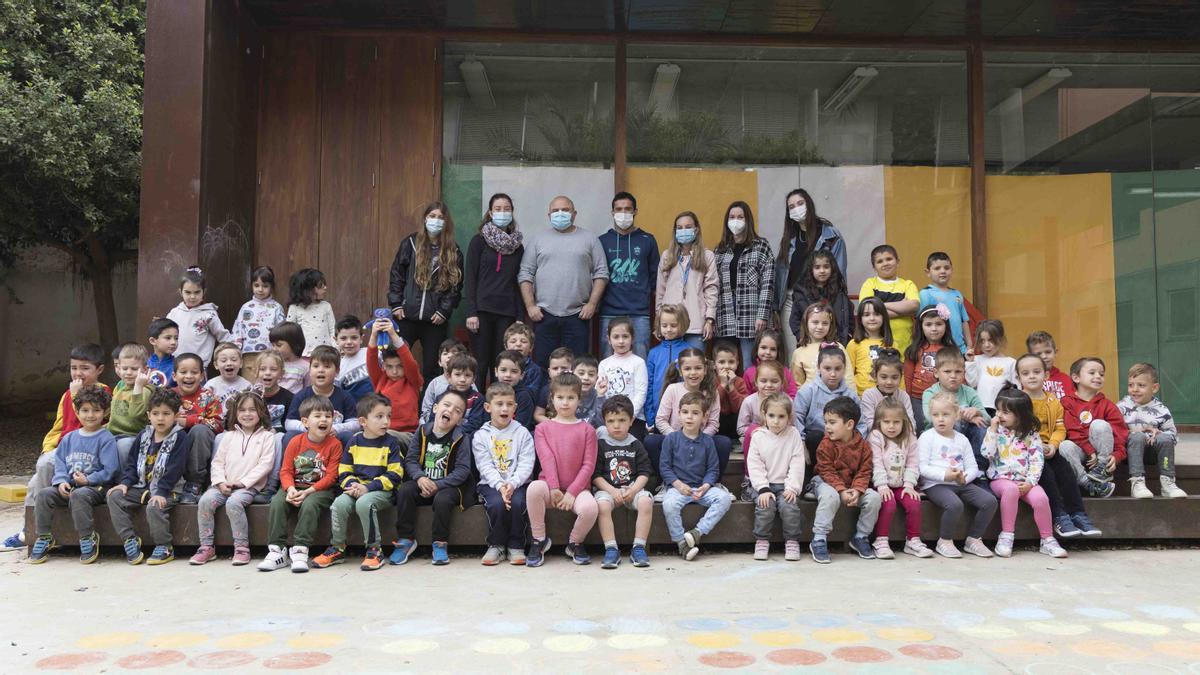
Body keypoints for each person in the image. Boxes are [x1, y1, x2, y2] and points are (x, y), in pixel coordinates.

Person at [313, 393, 405, 571]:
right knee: (339, 503)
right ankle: (337, 548)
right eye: (379, 416)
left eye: (388, 416)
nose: (386, 421)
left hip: (383, 491)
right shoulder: (354, 441)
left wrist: (367, 488)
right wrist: (353, 486)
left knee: (364, 503)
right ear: (363, 421)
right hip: (357, 488)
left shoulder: (391, 443)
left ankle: (374, 550)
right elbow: (344, 471)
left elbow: (395, 475)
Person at [28, 386, 118, 564]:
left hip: (95, 488)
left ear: (105, 412)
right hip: (70, 487)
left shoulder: (106, 438)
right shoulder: (69, 438)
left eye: (96, 410)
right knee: (45, 494)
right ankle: (45, 536)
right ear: (77, 411)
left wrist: (88, 480)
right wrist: (60, 481)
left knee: (79, 494)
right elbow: (60, 464)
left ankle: (87, 537)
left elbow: (110, 470)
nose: (90, 415)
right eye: (85, 410)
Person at [1014, 353, 1101, 538]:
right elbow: (1014, 430)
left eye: (1036, 372)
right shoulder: (1017, 402)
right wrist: (1036, 447)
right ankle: (1059, 516)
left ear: (1046, 375)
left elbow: (1060, 428)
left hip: (1049, 450)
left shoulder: (1053, 401)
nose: (1031, 376)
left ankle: (1079, 514)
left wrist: (1053, 446)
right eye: (1026, 373)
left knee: (1066, 472)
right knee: (1047, 475)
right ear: (1018, 378)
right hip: (1026, 454)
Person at [518, 195, 610, 366]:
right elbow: (525, 274)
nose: (560, 214)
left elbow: (601, 273)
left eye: (565, 210)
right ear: (548, 215)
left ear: (574, 213)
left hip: (578, 315)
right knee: (544, 367)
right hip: (544, 315)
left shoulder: (590, 239)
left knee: (577, 367)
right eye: (555, 210)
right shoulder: (538, 239)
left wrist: (591, 304)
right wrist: (530, 306)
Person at [256, 395, 343, 573]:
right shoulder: (296, 442)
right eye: (318, 416)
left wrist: (309, 491)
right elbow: (286, 470)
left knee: (310, 505)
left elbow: (332, 476)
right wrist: (290, 489)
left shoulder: (335, 444)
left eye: (328, 416)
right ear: (305, 421)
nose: (324, 420)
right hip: (294, 485)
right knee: (278, 502)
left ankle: (300, 550)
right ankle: (276, 550)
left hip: (320, 489)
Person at [107, 388, 192, 565]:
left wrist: (161, 492)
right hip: (141, 486)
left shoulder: (180, 438)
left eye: (166, 414)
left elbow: (175, 469)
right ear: (148, 415)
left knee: (154, 506)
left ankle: (164, 546)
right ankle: (129, 539)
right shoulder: (143, 436)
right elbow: (131, 463)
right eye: (156, 413)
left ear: (176, 415)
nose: (160, 418)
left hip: (168, 489)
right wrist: (125, 483)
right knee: (114, 496)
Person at [189, 391, 275, 565]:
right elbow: (217, 462)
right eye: (242, 410)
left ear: (261, 413)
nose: (247, 414)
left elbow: (265, 464)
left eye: (252, 409)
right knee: (205, 501)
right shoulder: (228, 437)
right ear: (236, 413)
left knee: (233, 503)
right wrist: (220, 482)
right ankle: (206, 547)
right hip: (223, 485)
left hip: (247, 488)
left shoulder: (267, 437)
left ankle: (242, 548)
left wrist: (243, 483)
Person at [982, 387, 1068, 558]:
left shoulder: (1031, 434)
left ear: (1020, 415)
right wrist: (992, 431)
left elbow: (1037, 460)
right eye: (998, 410)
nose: (999, 415)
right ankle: (1006, 535)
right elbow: (987, 453)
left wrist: (1030, 482)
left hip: (1025, 481)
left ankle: (1047, 539)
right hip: (1001, 479)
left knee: (1041, 498)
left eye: (1005, 412)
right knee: (1011, 490)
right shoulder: (995, 431)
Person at [391, 390, 472, 566]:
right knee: (405, 490)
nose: (451, 411)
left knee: (443, 499)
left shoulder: (461, 438)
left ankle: (440, 543)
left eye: (457, 411)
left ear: (460, 420)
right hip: (424, 482)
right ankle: (406, 539)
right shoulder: (422, 431)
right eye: (447, 405)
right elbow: (411, 460)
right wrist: (419, 478)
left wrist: (438, 485)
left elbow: (462, 471)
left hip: (449, 486)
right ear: (435, 408)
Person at [388, 201, 464, 383]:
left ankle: (427, 409)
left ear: (446, 222)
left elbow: (456, 285)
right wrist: (396, 304)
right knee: (396, 362)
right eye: (432, 216)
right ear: (425, 219)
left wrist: (444, 311)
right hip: (406, 316)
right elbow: (397, 275)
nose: (436, 221)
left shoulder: (454, 251)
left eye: (440, 217)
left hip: (434, 320)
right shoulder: (410, 243)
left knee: (432, 367)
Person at [527, 373, 599, 567]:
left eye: (570, 398)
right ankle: (539, 539)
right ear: (552, 398)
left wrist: (572, 493)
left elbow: (588, 465)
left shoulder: (587, 430)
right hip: (551, 488)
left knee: (590, 508)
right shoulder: (543, 428)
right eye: (560, 397)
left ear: (579, 399)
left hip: (578, 490)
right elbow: (546, 459)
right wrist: (553, 487)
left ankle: (575, 543)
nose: (565, 403)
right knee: (533, 488)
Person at [918, 391, 998, 559]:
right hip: (936, 484)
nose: (940, 419)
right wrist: (945, 476)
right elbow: (922, 467)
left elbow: (972, 466)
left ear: (956, 416)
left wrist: (964, 478)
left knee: (989, 501)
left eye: (946, 414)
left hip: (961, 483)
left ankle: (974, 539)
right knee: (955, 504)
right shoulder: (927, 437)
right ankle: (945, 541)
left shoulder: (962, 439)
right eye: (936, 415)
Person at [660, 392, 733, 561]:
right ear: (679, 414)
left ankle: (697, 532)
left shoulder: (708, 441)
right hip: (678, 488)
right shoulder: (671, 439)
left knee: (724, 499)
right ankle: (681, 543)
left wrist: (706, 485)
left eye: (695, 413)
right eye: (685, 412)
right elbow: (665, 467)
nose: (689, 417)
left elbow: (713, 469)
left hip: (701, 488)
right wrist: (678, 485)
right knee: (669, 504)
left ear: (704, 416)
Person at [776, 188, 848, 356]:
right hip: (792, 300)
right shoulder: (789, 238)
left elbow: (839, 272)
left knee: (824, 352)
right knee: (797, 350)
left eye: (800, 203)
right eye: (791, 206)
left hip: (822, 298)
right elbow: (781, 275)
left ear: (809, 204)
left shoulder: (831, 235)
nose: (796, 209)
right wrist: (775, 307)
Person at [464, 193, 524, 392]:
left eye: (507, 208)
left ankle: (498, 402)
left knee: (501, 362)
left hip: (506, 312)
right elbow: (470, 278)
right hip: (481, 311)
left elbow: (519, 282)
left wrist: (520, 317)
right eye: (498, 209)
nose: (502, 212)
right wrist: (471, 311)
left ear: (512, 212)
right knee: (481, 363)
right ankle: (479, 405)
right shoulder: (478, 241)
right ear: (490, 213)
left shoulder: (517, 247)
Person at [809, 396, 881, 563]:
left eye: (832, 422)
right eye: (826, 421)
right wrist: (841, 490)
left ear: (849, 424)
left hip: (852, 486)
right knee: (830, 496)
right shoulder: (825, 444)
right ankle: (819, 538)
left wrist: (857, 490)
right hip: (824, 482)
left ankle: (861, 537)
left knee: (874, 498)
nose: (827, 427)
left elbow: (865, 471)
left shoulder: (863, 446)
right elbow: (826, 471)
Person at [472, 382, 536, 566]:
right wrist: (500, 486)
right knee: (498, 504)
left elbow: (526, 463)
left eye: (509, 404)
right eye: (499, 404)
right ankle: (497, 545)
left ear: (515, 407)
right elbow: (484, 466)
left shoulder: (522, 433)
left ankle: (516, 545)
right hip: (491, 484)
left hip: (518, 483)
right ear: (488, 407)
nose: (504, 408)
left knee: (517, 503)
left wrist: (512, 484)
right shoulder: (481, 436)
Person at [646, 348, 734, 478]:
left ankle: (714, 482)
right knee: (651, 441)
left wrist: (699, 439)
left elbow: (714, 424)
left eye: (698, 368)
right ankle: (665, 482)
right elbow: (660, 420)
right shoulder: (673, 389)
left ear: (705, 370)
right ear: (681, 371)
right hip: (674, 439)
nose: (693, 373)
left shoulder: (712, 393)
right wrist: (676, 438)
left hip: (702, 440)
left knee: (724, 443)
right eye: (687, 369)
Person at [593, 395, 654, 569]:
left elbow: (644, 472)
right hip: (608, 490)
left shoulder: (636, 445)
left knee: (646, 501)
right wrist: (613, 491)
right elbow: (595, 476)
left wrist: (634, 490)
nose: (616, 425)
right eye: (611, 421)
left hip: (631, 489)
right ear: (604, 422)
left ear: (631, 421)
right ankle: (611, 549)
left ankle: (639, 547)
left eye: (622, 420)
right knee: (602, 506)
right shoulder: (601, 444)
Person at [714, 201, 776, 367]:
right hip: (725, 312)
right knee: (725, 363)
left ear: (748, 220)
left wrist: (762, 315)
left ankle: (753, 393)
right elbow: (712, 285)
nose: (736, 220)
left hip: (751, 311)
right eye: (732, 217)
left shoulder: (761, 246)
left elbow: (767, 284)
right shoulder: (720, 249)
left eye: (740, 217)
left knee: (750, 363)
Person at [598, 192, 660, 358]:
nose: (623, 213)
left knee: (640, 361)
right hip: (609, 312)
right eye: (618, 209)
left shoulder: (648, 240)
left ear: (635, 211)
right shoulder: (602, 241)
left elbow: (655, 278)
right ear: (612, 212)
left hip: (639, 313)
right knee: (608, 363)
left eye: (627, 209)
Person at [867, 398, 930, 559]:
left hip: (902, 483)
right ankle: (880, 541)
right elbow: (876, 463)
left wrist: (909, 485)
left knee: (914, 503)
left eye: (896, 422)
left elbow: (913, 463)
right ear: (879, 422)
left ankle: (913, 540)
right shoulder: (875, 436)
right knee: (888, 503)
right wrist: (881, 485)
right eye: (886, 422)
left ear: (904, 422)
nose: (891, 426)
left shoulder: (909, 438)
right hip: (880, 484)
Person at [746, 393, 806, 562]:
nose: (776, 421)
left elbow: (797, 462)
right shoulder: (758, 436)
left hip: (785, 485)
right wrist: (763, 488)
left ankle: (792, 541)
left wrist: (792, 488)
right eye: (771, 416)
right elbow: (755, 464)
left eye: (781, 416)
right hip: (762, 485)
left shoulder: (793, 435)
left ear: (789, 417)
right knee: (765, 506)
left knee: (789, 507)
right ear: (764, 415)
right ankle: (762, 540)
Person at [1060, 357, 1128, 499]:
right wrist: (1089, 451)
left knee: (1099, 424)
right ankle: (1087, 483)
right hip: (1081, 450)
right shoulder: (1067, 402)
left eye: (1101, 374)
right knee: (1064, 445)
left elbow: (1120, 434)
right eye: (1092, 373)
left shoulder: (1108, 405)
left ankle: (1102, 470)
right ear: (1076, 377)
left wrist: (1116, 456)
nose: (1098, 376)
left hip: (1102, 452)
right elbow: (1072, 431)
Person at [1119, 362, 1187, 499]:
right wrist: (1133, 433)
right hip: (1129, 454)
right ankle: (1137, 482)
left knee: (1166, 438)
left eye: (1141, 385)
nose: (1135, 389)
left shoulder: (1162, 410)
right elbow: (1115, 431)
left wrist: (1159, 433)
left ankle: (1168, 482)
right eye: (1131, 385)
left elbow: (1173, 435)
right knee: (1137, 437)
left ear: (1154, 388)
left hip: (1152, 454)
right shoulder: (1121, 407)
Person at [281, 345, 361, 455]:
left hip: (333, 441)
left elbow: (355, 423)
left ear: (337, 371)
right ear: (310, 370)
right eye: (316, 366)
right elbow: (289, 422)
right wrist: (308, 428)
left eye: (327, 366)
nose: (321, 370)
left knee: (347, 436)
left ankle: (344, 470)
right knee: (289, 436)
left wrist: (336, 428)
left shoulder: (345, 396)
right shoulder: (301, 396)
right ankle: (288, 470)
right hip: (307, 440)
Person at [920, 347, 990, 471]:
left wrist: (977, 411)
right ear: (936, 373)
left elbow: (988, 419)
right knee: (953, 423)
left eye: (958, 372)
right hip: (937, 435)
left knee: (981, 425)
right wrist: (963, 416)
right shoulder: (930, 392)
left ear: (964, 373)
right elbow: (929, 417)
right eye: (947, 371)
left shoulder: (969, 392)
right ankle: (949, 465)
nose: (953, 376)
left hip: (965, 438)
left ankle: (979, 469)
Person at [656, 211, 718, 350]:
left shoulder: (707, 256)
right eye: (680, 228)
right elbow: (660, 290)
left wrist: (709, 319)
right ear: (675, 231)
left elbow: (711, 289)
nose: (684, 231)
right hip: (670, 322)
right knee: (672, 369)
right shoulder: (667, 256)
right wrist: (658, 320)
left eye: (688, 227)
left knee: (694, 367)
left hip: (696, 323)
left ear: (696, 229)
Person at [794, 347, 866, 460]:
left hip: (843, 444)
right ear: (818, 368)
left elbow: (862, 423)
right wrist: (802, 444)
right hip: (815, 443)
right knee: (814, 437)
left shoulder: (850, 395)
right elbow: (797, 418)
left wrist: (854, 443)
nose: (833, 374)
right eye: (827, 368)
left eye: (838, 369)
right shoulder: (807, 391)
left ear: (844, 369)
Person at [171, 353, 223, 504]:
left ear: (202, 376)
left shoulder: (209, 397)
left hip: (200, 445)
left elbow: (218, 424)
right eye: (183, 372)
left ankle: (194, 483)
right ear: (174, 376)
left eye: (194, 372)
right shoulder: (168, 395)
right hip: (174, 443)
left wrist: (186, 421)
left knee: (199, 430)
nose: (189, 376)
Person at [366, 318, 423, 441]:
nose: (395, 371)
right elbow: (371, 359)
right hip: (380, 432)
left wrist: (392, 333)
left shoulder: (413, 381)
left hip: (406, 435)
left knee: (388, 439)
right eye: (390, 367)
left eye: (400, 366)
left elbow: (409, 361)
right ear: (384, 366)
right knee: (357, 438)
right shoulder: (380, 379)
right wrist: (374, 334)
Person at [858, 245, 919, 355]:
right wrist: (902, 307)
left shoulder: (907, 284)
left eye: (889, 259)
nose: (885, 263)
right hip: (877, 344)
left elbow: (914, 306)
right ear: (874, 267)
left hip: (904, 344)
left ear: (897, 261)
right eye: (880, 261)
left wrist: (879, 306)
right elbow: (866, 309)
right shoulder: (870, 284)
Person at [167, 266, 232, 369]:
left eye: (197, 292)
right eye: (188, 292)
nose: (192, 296)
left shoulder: (209, 315)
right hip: (174, 366)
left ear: (204, 292)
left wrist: (231, 354)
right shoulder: (174, 313)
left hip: (199, 368)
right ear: (181, 292)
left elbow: (223, 337)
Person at [231, 265, 286, 381]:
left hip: (270, 354)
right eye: (256, 285)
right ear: (251, 285)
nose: (260, 289)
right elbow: (238, 330)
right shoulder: (246, 307)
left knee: (268, 385)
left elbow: (282, 333)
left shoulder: (276, 308)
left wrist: (279, 351)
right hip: (249, 355)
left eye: (265, 286)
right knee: (249, 387)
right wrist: (236, 351)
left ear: (271, 287)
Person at [788, 250, 853, 346]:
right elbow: (794, 320)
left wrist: (847, 336)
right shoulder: (801, 293)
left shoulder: (840, 292)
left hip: (836, 344)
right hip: (810, 344)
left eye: (826, 267)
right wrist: (803, 338)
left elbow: (849, 317)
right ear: (811, 269)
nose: (822, 271)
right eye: (817, 267)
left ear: (832, 269)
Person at [107, 343, 155, 467]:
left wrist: (138, 386)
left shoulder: (145, 390)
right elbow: (113, 416)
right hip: (113, 434)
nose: (128, 373)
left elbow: (135, 414)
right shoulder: (121, 388)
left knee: (124, 445)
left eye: (134, 369)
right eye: (124, 368)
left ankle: (125, 480)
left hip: (134, 436)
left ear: (144, 369)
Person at [465, 350, 535, 433]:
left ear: (522, 375)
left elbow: (522, 425)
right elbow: (484, 421)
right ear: (496, 372)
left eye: (514, 371)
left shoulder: (524, 396)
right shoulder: (491, 392)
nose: (508, 375)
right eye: (503, 370)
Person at [905, 305, 952, 430]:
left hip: (944, 398)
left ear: (946, 326)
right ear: (921, 326)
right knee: (921, 426)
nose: (934, 328)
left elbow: (957, 374)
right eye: (929, 324)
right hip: (917, 398)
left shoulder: (951, 350)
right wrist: (908, 399)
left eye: (939, 324)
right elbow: (908, 377)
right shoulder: (913, 350)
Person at [597, 317, 649, 431]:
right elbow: (602, 393)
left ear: (632, 338)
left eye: (625, 336)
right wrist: (609, 415)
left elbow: (641, 392)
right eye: (616, 337)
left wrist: (630, 415)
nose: (621, 341)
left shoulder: (638, 362)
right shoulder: (604, 364)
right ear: (609, 339)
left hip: (634, 419)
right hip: (610, 418)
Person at [645, 305, 691, 424]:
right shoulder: (654, 353)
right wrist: (650, 417)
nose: (669, 329)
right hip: (658, 412)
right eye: (664, 325)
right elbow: (649, 385)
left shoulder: (689, 351)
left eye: (673, 325)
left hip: (684, 414)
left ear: (683, 324)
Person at [790, 302, 853, 389]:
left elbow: (848, 377)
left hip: (837, 398)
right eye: (815, 322)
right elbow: (797, 384)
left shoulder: (838, 347)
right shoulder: (799, 352)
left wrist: (850, 399)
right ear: (806, 323)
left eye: (825, 323)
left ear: (830, 326)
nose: (820, 327)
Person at [919, 253, 972, 354]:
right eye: (937, 268)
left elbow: (964, 321)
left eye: (946, 268)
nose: (943, 271)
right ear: (928, 272)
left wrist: (969, 345)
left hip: (959, 348)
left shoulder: (957, 294)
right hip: (937, 349)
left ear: (952, 270)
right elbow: (921, 322)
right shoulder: (926, 293)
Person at [966, 319, 1018, 414]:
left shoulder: (1011, 362)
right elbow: (972, 383)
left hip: (1003, 410)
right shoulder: (977, 360)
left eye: (991, 340)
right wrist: (970, 363)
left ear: (1001, 339)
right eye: (982, 341)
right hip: (980, 408)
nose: (986, 345)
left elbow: (1016, 388)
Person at [847, 298, 894, 395]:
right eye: (866, 315)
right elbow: (848, 374)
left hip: (886, 397)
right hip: (861, 396)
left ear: (884, 317)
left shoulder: (892, 344)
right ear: (860, 318)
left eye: (876, 314)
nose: (872, 318)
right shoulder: (854, 344)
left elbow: (898, 373)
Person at [859, 349, 916, 431]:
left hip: (900, 437)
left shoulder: (903, 396)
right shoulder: (869, 395)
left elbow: (911, 424)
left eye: (894, 377)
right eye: (884, 377)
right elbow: (869, 424)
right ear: (875, 376)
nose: (889, 382)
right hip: (877, 438)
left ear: (901, 377)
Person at [286, 268, 336, 356]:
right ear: (307, 289)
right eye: (320, 285)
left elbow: (333, 330)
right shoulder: (295, 308)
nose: (325, 287)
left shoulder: (326, 306)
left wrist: (335, 349)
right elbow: (290, 332)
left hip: (325, 354)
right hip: (303, 354)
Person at [419, 339, 468, 423]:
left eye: (454, 353)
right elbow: (426, 410)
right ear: (439, 362)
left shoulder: (467, 382)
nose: (449, 356)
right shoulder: (435, 383)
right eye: (445, 353)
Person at [743, 328, 798, 397]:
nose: (768, 352)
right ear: (757, 348)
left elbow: (792, 394)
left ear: (778, 352)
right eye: (763, 347)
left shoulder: (784, 371)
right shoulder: (749, 373)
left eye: (773, 349)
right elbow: (746, 396)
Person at [713, 340, 748, 444]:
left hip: (734, 420)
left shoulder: (740, 381)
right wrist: (723, 385)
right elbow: (713, 404)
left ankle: (736, 442)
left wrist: (732, 387)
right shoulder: (713, 381)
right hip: (718, 421)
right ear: (715, 364)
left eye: (731, 362)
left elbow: (739, 408)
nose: (727, 366)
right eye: (721, 362)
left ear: (737, 363)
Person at [1026, 331, 1074, 400]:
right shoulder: (1027, 380)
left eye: (1048, 352)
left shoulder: (1067, 380)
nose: (1044, 356)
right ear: (1030, 356)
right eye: (1038, 354)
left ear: (1055, 352)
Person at [335, 315, 373, 401]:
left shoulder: (372, 353)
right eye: (343, 338)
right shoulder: (338, 368)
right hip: (357, 411)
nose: (349, 342)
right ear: (336, 340)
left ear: (361, 338)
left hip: (380, 406)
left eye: (354, 338)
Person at [534, 347, 575, 424]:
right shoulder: (546, 390)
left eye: (564, 368)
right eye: (555, 368)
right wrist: (554, 424)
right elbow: (538, 415)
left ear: (573, 370)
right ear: (549, 372)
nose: (559, 372)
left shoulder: (576, 389)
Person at [256, 350, 294, 434]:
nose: (268, 373)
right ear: (256, 372)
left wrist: (276, 431)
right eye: (262, 369)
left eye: (273, 369)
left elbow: (290, 425)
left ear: (281, 373)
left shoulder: (290, 398)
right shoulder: (251, 397)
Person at [207, 342, 252, 411]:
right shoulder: (211, 386)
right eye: (223, 360)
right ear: (216, 365)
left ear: (241, 363)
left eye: (234, 360)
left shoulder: (247, 386)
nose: (229, 363)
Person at [268, 321, 309, 394]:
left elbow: (308, 390)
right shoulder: (272, 363)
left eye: (279, 345)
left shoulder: (306, 367)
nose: (274, 349)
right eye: (273, 345)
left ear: (294, 343)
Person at [503, 322, 543, 395]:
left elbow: (532, 394)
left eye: (523, 341)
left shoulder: (535, 370)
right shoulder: (501, 366)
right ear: (506, 347)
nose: (518, 344)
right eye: (513, 341)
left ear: (531, 347)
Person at [571, 355, 607, 429]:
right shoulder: (567, 394)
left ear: (597, 378)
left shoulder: (599, 396)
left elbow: (602, 424)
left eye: (591, 374)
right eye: (581, 373)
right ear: (572, 375)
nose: (586, 378)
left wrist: (600, 396)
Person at [146, 318, 179, 388]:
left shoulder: (178, 365)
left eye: (176, 338)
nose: (173, 342)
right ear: (152, 341)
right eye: (168, 338)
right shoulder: (145, 364)